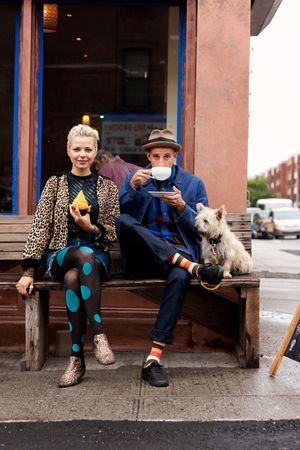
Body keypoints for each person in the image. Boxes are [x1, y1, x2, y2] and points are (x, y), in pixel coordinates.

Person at [116, 128, 223, 388]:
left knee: (178, 276)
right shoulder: (136, 178)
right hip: (143, 259)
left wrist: (183, 208)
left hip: (178, 253)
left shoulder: (193, 184)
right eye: (155, 157)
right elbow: (119, 217)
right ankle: (192, 267)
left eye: (166, 156)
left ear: (175, 156)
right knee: (123, 221)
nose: (161, 162)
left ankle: (153, 359)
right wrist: (131, 188)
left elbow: (203, 232)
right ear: (149, 157)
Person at [16, 124, 120, 388]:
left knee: (76, 275)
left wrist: (90, 228)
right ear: (68, 150)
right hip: (59, 255)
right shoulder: (55, 183)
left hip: (96, 259)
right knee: (77, 259)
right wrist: (29, 272)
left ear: (96, 150)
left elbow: (113, 233)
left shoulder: (108, 187)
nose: (82, 154)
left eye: (88, 149)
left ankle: (76, 360)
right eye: (77, 149)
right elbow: (41, 226)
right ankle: (98, 334)